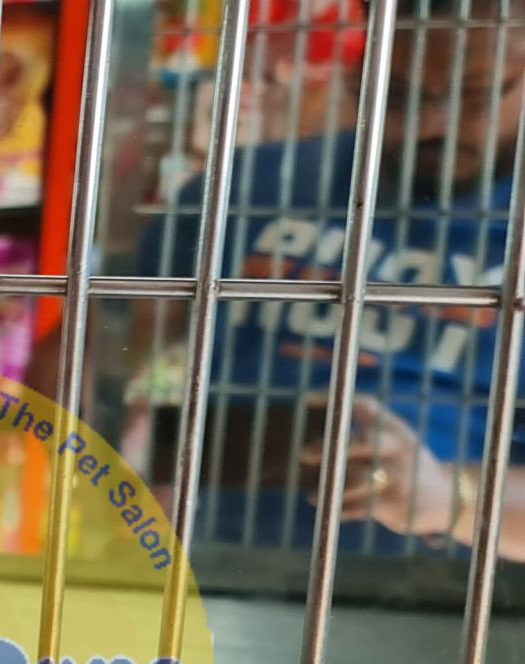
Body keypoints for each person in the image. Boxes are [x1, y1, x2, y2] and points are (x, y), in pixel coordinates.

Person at [134, 0, 525, 562]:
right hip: (197, 559)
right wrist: (119, 452)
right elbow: (105, 350)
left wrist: (452, 499)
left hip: (434, 602)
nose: (429, 123)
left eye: (476, 95)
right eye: (397, 93)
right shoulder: (245, 186)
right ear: (359, 76)